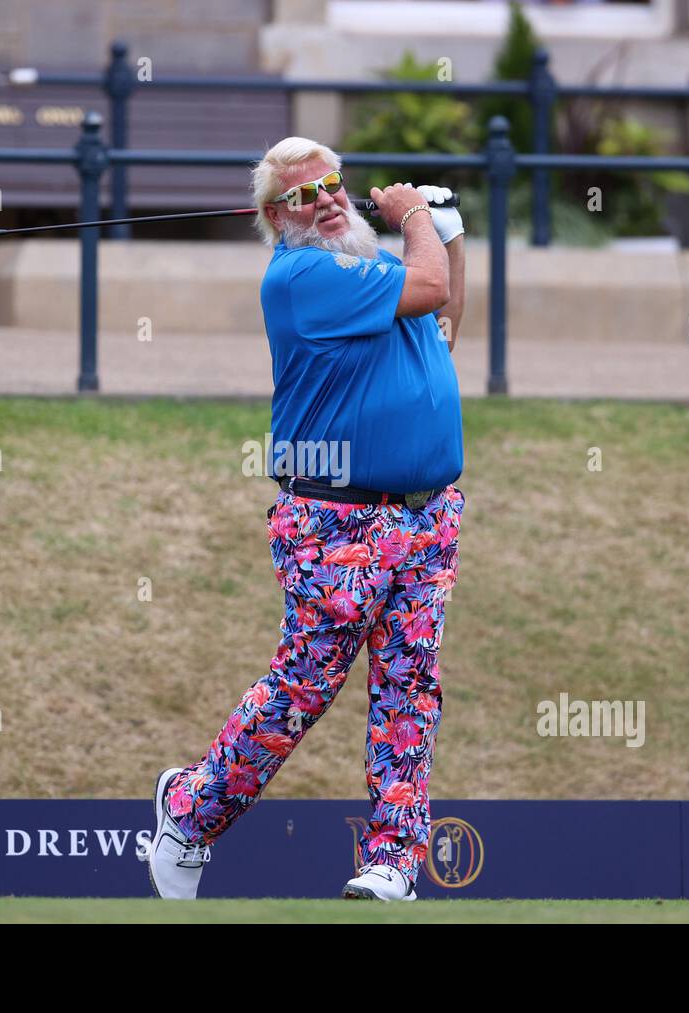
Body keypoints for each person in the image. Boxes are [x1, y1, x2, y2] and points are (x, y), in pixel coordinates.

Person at [147, 136, 466, 901]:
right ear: (274, 216)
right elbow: (428, 283)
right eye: (302, 194)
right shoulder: (302, 276)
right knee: (305, 685)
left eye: (331, 185)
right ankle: (188, 811)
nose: (324, 200)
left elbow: (444, 318)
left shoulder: (372, 270)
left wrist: (448, 237)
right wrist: (418, 215)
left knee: (409, 687)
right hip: (337, 522)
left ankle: (394, 860)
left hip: (428, 516)